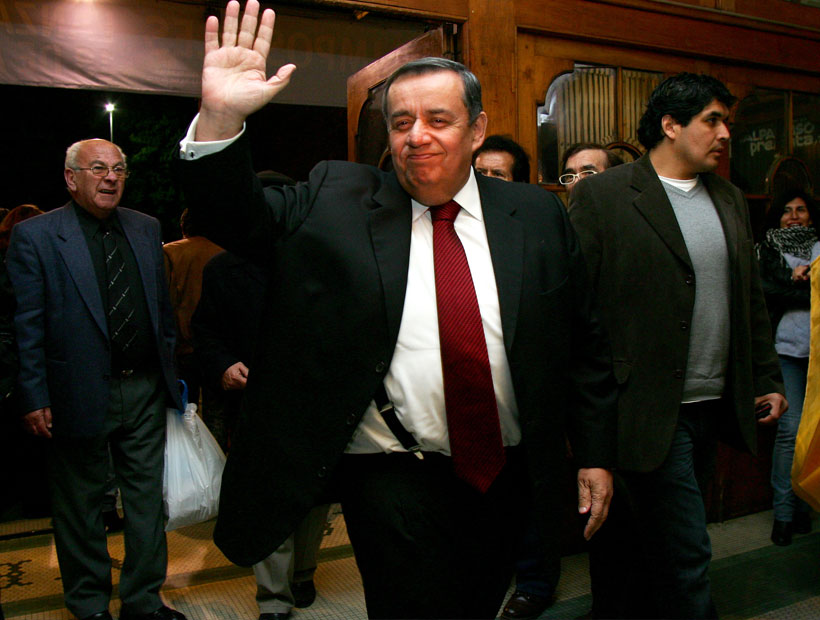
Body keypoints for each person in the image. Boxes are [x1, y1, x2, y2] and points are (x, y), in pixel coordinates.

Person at [178, 3, 617, 618]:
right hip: (389, 470)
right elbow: (235, 218)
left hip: (506, 469)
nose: (417, 136)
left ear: (477, 129)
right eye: (402, 121)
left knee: (478, 603)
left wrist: (594, 452)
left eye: (439, 119)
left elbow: (583, 342)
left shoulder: (536, 215)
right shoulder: (336, 198)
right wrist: (221, 118)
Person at [569, 72, 786, 619]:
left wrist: (766, 377)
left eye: (726, 122)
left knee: (650, 546)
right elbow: (577, 309)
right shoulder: (604, 195)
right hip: (642, 405)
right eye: (712, 121)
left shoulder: (729, 198)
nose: (725, 134)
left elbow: (750, 299)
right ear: (670, 124)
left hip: (713, 406)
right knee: (687, 550)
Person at [5, 139, 186, 620]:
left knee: (147, 501)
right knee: (81, 505)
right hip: (75, 392)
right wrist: (33, 394)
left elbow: (162, 309)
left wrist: (169, 372)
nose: (111, 178)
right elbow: (26, 324)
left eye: (119, 169)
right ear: (71, 177)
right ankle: (89, 605)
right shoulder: (37, 236)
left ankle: (143, 600)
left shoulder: (146, 228)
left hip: (144, 388)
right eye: (99, 168)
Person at [193, 249, 330, 620]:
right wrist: (223, 365)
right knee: (265, 494)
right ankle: (273, 597)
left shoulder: (320, 258)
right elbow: (205, 331)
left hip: (314, 397)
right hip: (254, 401)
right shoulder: (223, 269)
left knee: (314, 494)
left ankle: (303, 571)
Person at [473, 135, 556, 619]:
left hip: (527, 393)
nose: (486, 182)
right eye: (479, 173)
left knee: (530, 496)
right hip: (468, 396)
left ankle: (534, 584)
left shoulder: (537, 230)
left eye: (498, 175)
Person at [756, 189, 819, 545]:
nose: (794, 217)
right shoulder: (767, 249)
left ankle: (804, 506)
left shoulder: (819, 248)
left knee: (816, 434)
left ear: (811, 216)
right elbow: (765, 291)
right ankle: (783, 514)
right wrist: (796, 282)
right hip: (786, 353)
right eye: (786, 211)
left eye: (801, 210)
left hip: (818, 356)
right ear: (777, 217)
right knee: (791, 431)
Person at [162, 207, 223, 414]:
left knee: (184, 412)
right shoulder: (226, 253)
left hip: (183, 348)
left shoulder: (170, 252)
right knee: (217, 415)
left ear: (183, 227)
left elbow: (165, 302)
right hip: (219, 349)